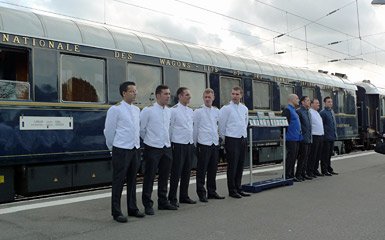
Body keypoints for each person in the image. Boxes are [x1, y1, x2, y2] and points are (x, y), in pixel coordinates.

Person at [104, 81, 145, 223]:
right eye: (132, 91)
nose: (135, 93)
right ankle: (116, 212)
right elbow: (109, 131)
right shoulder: (115, 109)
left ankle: (132, 208)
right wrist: (112, 148)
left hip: (134, 149)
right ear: (124, 93)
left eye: (135, 91)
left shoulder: (136, 110)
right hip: (121, 149)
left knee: (133, 180)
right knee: (118, 181)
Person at [140, 85, 177, 215]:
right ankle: (147, 204)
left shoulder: (169, 111)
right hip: (152, 147)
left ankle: (163, 201)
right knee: (149, 177)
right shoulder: (148, 111)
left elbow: (169, 129)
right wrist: (150, 141)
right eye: (165, 94)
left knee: (164, 176)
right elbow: (142, 129)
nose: (168, 96)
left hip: (166, 147)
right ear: (157, 95)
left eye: (169, 94)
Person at [193, 88, 225, 202]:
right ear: (203, 98)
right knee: (201, 170)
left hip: (214, 143)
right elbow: (195, 129)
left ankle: (212, 191)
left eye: (209, 97)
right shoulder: (198, 112)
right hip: (203, 143)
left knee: (213, 169)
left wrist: (221, 138)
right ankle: (201, 193)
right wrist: (196, 143)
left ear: (213, 98)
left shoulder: (217, 111)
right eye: (206, 97)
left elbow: (219, 126)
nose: (207, 99)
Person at [219, 86, 250, 198]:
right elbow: (222, 125)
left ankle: (238, 187)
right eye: (233, 94)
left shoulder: (244, 109)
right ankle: (232, 190)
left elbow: (245, 123)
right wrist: (224, 137)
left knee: (240, 164)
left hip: (242, 138)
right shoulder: (226, 108)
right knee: (232, 165)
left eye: (237, 94)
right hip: (231, 139)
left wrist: (243, 135)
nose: (235, 96)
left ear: (241, 95)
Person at [168, 87, 196, 207]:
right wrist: (171, 144)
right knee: (176, 172)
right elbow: (170, 128)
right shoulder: (173, 111)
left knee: (186, 171)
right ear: (179, 96)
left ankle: (184, 196)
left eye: (189, 95)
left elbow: (191, 128)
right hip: (178, 144)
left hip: (189, 144)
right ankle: (172, 198)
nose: (189, 97)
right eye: (186, 95)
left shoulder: (190, 111)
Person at [281, 94, 302, 182]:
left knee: (294, 157)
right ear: (291, 99)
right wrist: (283, 136)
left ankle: (291, 174)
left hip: (296, 137)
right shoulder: (287, 110)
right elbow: (284, 125)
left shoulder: (294, 110)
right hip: (290, 137)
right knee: (290, 157)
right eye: (297, 98)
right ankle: (287, 175)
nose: (298, 100)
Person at [320, 96, 339, 176]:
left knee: (329, 154)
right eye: (328, 102)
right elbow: (321, 125)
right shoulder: (323, 112)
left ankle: (329, 169)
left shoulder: (331, 112)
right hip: (326, 137)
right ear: (325, 103)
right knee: (325, 154)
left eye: (331, 102)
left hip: (332, 136)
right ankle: (324, 170)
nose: (330, 103)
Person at [296, 96, 312, 181]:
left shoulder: (308, 112)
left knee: (306, 157)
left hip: (308, 137)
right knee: (302, 157)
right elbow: (299, 126)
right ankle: (298, 174)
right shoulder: (299, 112)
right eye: (307, 100)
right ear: (302, 102)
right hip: (303, 138)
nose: (309, 102)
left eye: (309, 100)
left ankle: (303, 173)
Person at [308, 98, 324, 177]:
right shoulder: (310, 112)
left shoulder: (317, 113)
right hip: (314, 135)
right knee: (313, 154)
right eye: (316, 103)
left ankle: (315, 169)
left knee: (318, 154)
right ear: (311, 104)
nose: (318, 104)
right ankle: (310, 170)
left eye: (318, 103)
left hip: (320, 135)